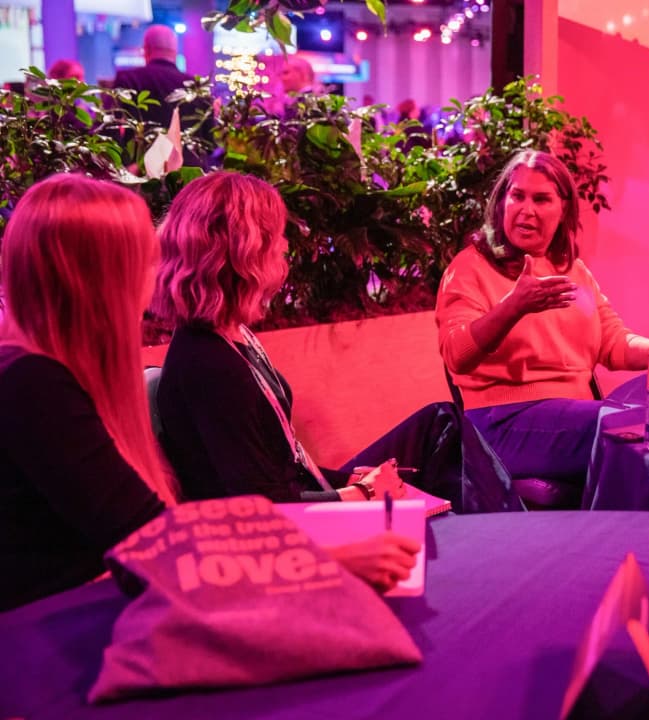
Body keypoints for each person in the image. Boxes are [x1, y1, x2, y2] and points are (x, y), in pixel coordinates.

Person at [152, 171, 519, 515]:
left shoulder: (231, 334)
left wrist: (354, 480)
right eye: (275, 235)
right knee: (443, 439)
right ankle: (497, 533)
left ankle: (487, 529)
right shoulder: (207, 363)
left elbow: (287, 466)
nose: (284, 246)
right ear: (243, 250)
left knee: (440, 424)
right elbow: (266, 502)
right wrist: (359, 493)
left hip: (306, 490)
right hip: (288, 527)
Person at [435, 150, 649, 484]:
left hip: (572, 415)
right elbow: (456, 354)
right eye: (517, 196)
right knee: (633, 426)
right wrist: (513, 306)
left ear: (563, 210)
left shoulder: (573, 271)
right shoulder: (470, 267)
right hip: (501, 423)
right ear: (502, 203)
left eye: (541, 199)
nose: (526, 210)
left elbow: (613, 343)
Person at [0, 174, 176, 610]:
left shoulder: (39, 372)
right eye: (145, 262)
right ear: (101, 278)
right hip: (42, 638)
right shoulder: (32, 385)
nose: (155, 280)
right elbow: (152, 538)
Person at [112, 24, 210, 166]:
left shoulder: (128, 79)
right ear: (175, 51)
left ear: (146, 49)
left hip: (142, 171)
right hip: (191, 173)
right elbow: (210, 143)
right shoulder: (198, 87)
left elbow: (112, 129)